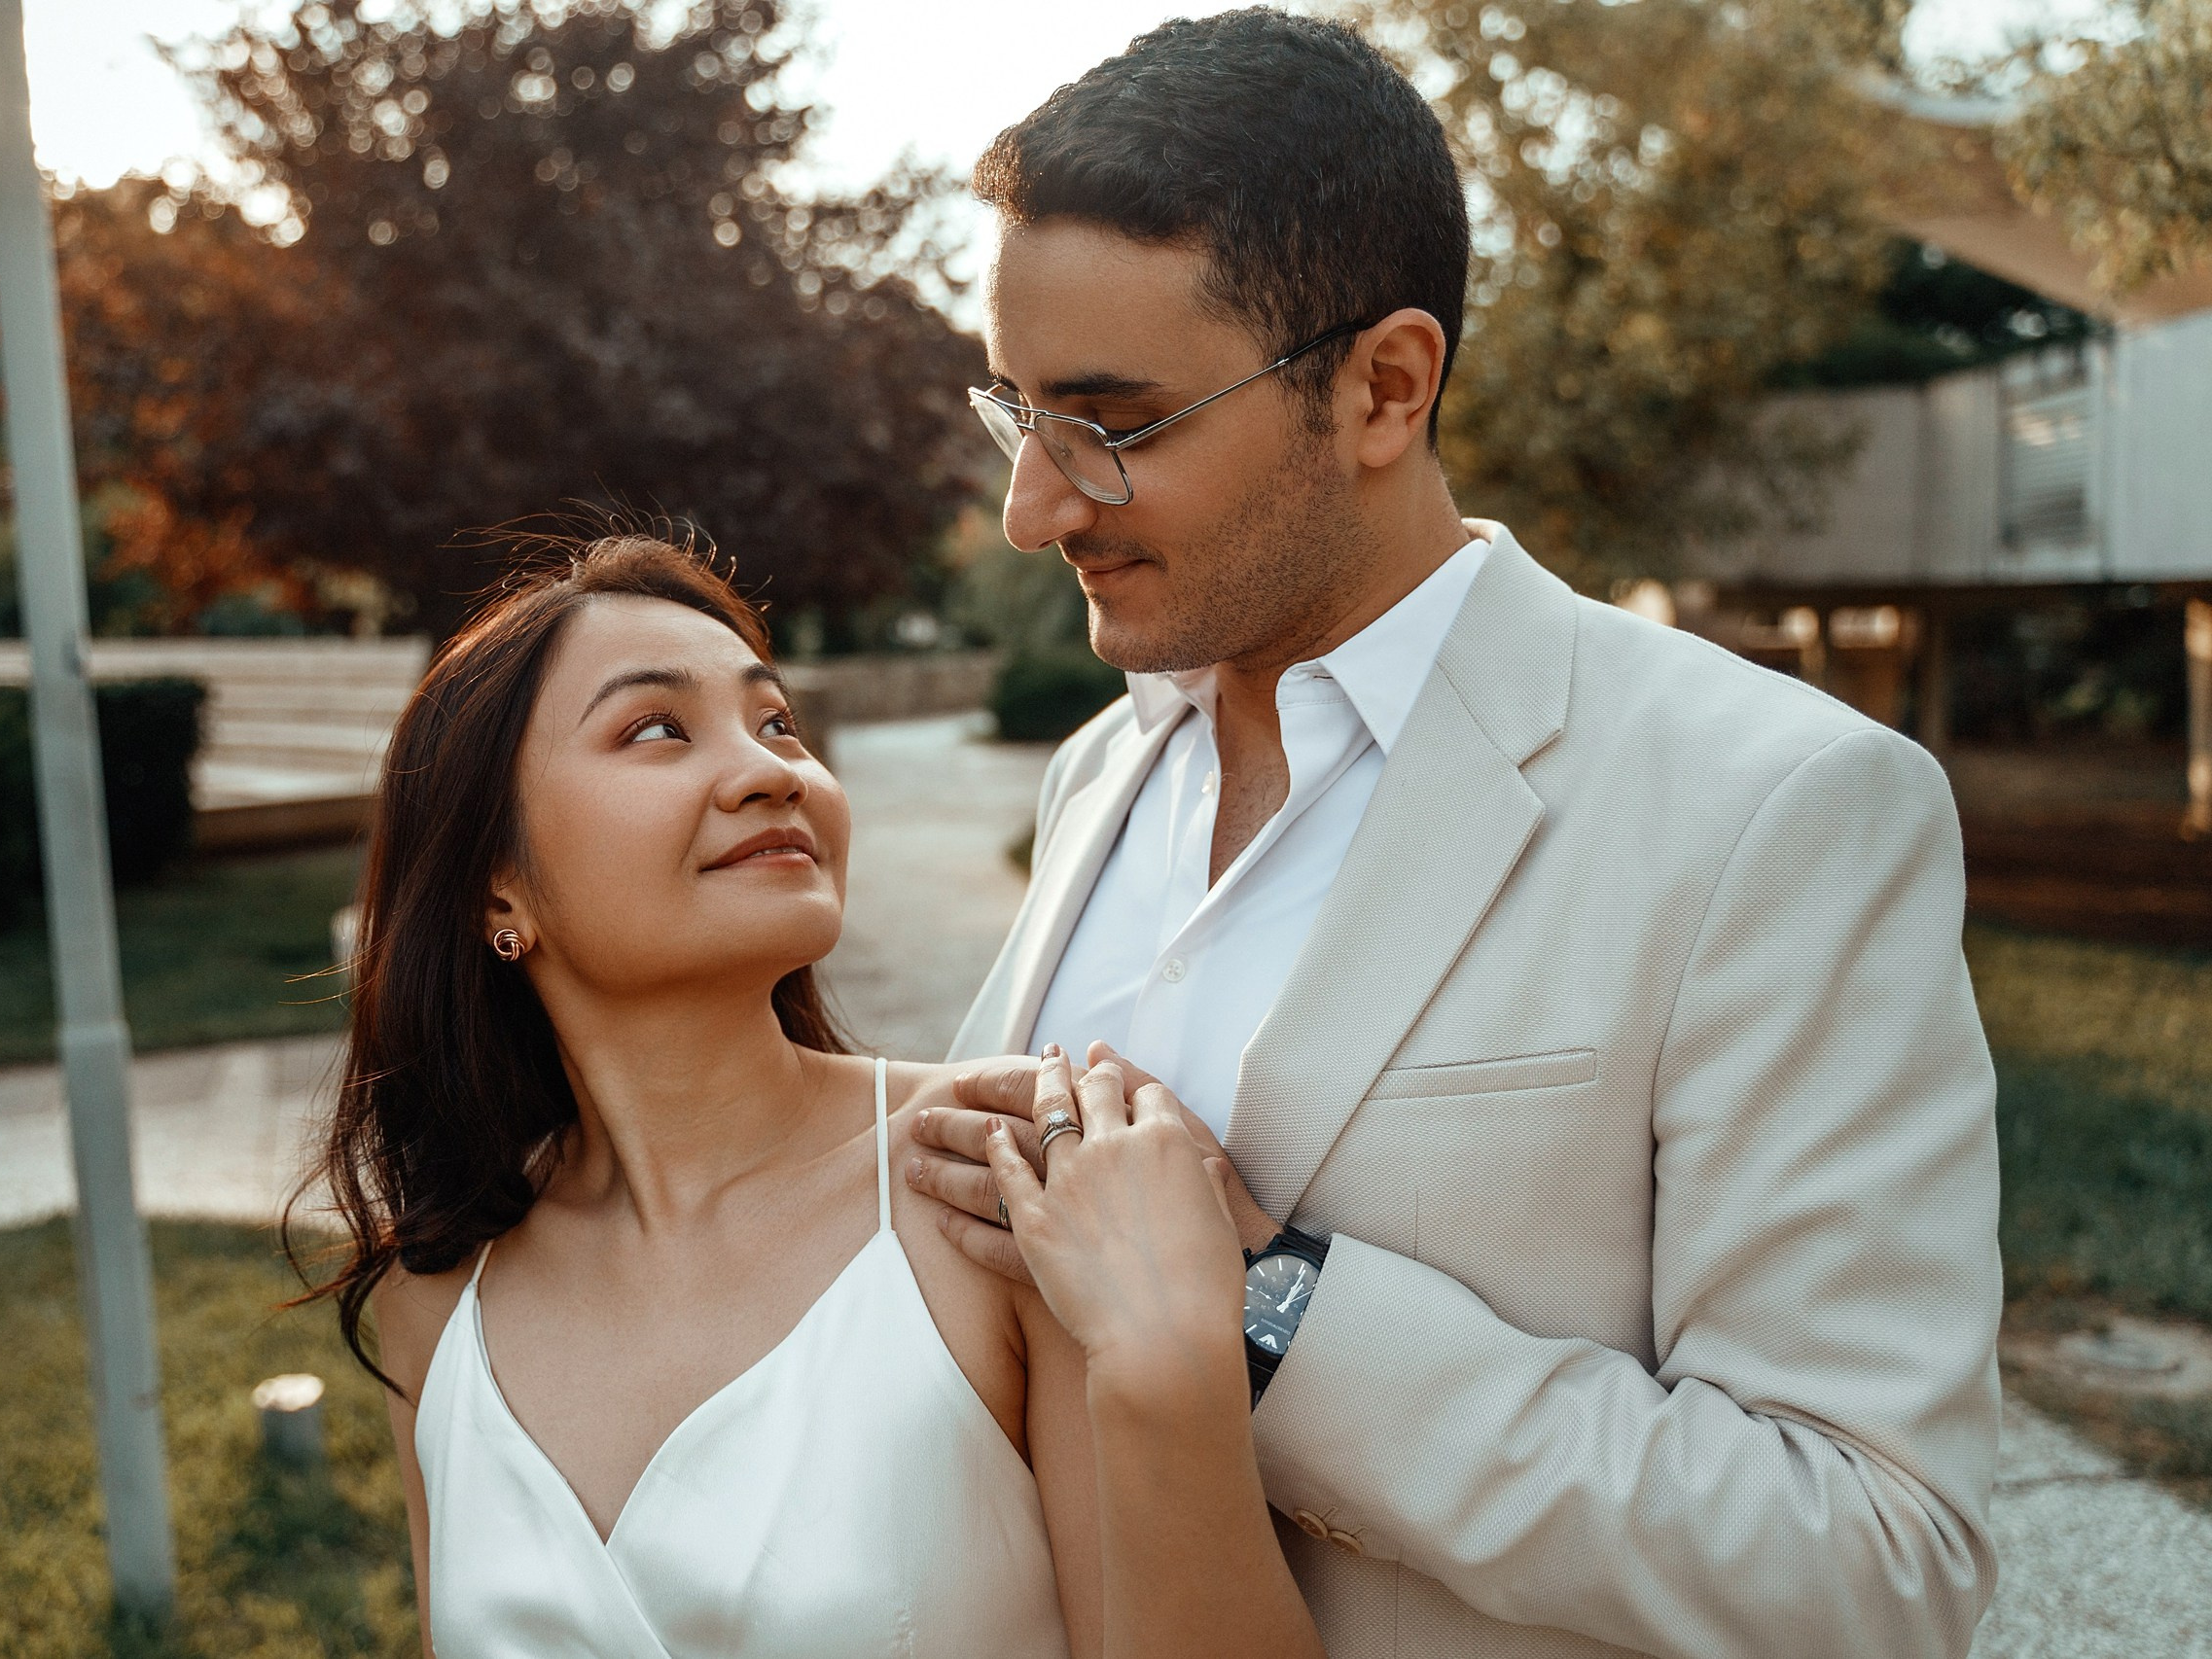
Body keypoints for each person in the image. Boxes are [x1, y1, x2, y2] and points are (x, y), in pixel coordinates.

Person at [905, 13, 2003, 1659]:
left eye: (1111, 427)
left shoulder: (1778, 808)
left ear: (1383, 388)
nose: (1034, 507)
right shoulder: (1098, 777)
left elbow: (1872, 1560)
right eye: (1019, 415)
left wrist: (1264, 1314)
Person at [294, 534, 1325, 1659]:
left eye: (777, 721)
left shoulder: (1007, 1172)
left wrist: (1168, 1376)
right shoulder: (435, 1289)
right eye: (655, 728)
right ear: (498, 883)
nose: (771, 769)